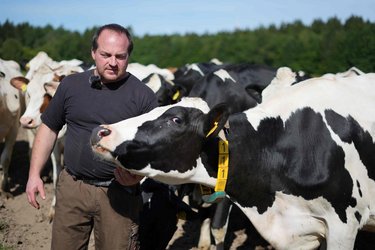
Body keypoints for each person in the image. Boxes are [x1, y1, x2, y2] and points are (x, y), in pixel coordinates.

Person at [26, 23, 158, 249]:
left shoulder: (143, 97)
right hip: (72, 188)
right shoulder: (71, 86)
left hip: (119, 194)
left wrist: (138, 177)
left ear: (129, 56)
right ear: (93, 53)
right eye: (106, 55)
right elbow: (49, 128)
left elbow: (153, 148)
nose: (113, 62)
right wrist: (34, 174)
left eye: (121, 56)